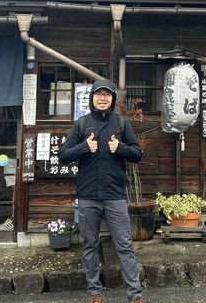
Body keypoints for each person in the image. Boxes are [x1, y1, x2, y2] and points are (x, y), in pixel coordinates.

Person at [59, 79, 144, 303]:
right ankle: (95, 291)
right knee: (89, 244)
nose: (103, 98)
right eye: (99, 94)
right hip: (87, 196)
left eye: (107, 94)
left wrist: (121, 148)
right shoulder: (82, 124)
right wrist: (84, 147)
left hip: (114, 195)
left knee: (124, 245)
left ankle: (135, 294)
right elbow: (64, 155)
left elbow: (137, 154)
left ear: (113, 99)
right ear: (92, 98)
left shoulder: (122, 124)